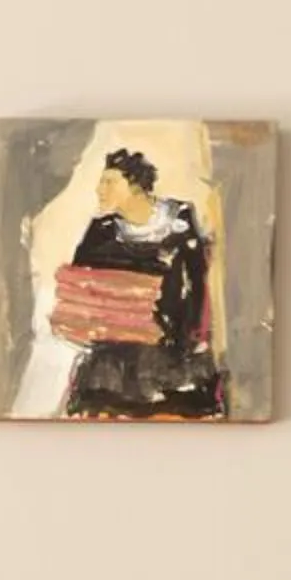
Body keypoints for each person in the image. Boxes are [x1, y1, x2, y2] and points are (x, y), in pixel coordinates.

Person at [51, 146, 227, 420]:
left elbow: (194, 292)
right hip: (112, 357)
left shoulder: (179, 221)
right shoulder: (101, 231)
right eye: (101, 181)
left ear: (135, 185)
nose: (100, 189)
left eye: (109, 181)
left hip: (172, 354)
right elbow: (82, 292)